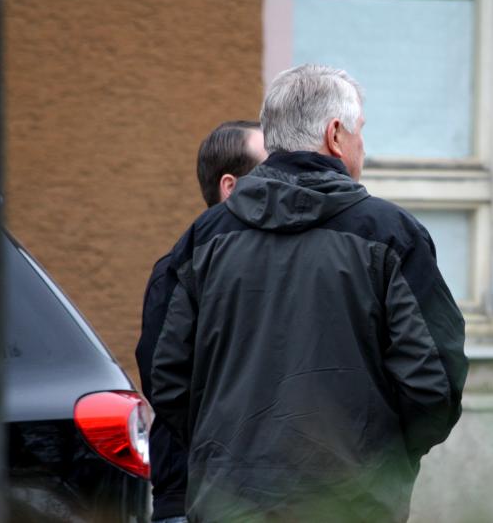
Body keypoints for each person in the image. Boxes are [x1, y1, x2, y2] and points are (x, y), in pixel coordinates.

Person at [150, 64, 468, 522]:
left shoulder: (203, 239)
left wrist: (219, 454)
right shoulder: (393, 235)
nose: (363, 147)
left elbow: (167, 375)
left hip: (229, 502)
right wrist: (382, 462)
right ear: (335, 134)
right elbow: (435, 380)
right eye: (361, 133)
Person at [135, 120, 267, 523]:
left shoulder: (276, 270)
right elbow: (164, 382)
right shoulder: (179, 269)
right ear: (230, 187)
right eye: (270, 169)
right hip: (191, 493)